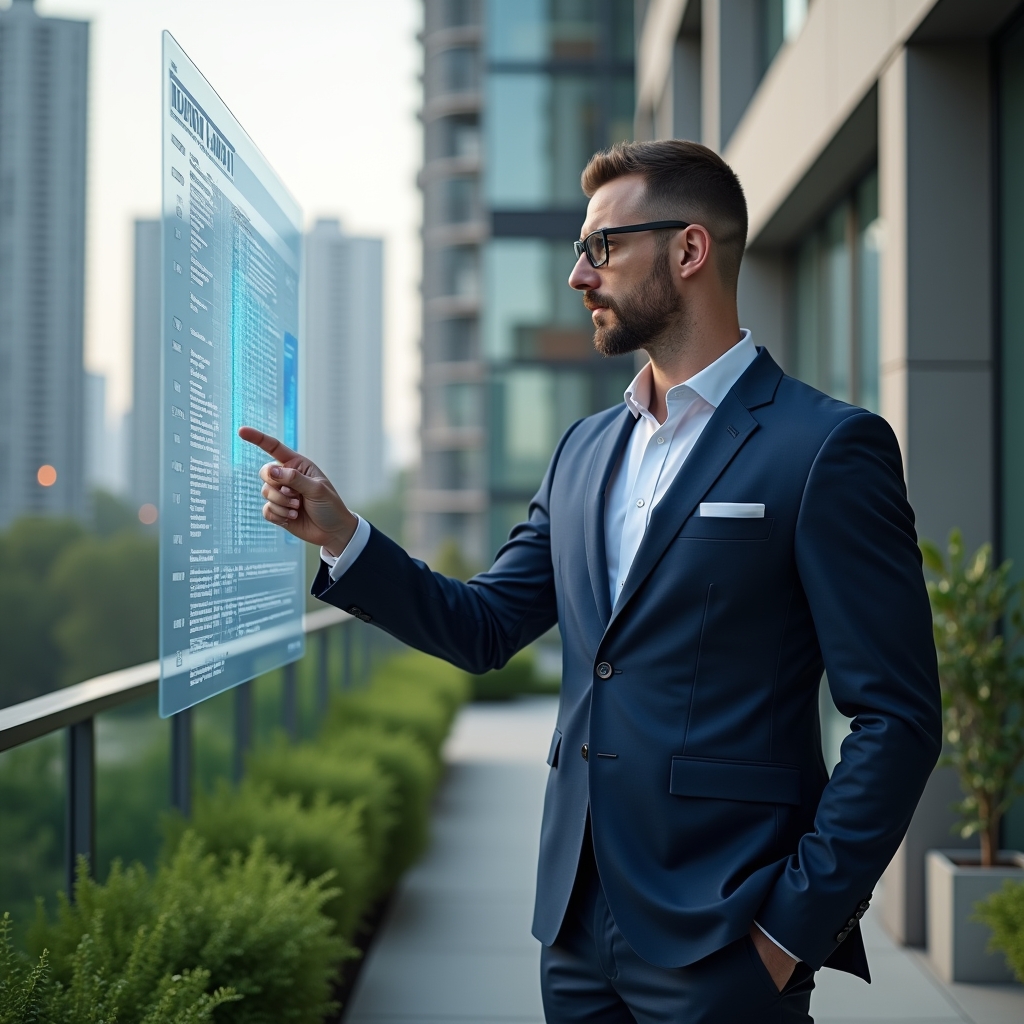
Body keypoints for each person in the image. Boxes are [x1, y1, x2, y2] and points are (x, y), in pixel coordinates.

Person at [240, 139, 942, 1023]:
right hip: (574, 933)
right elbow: (486, 625)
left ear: (689, 250)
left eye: (601, 246)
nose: (578, 274)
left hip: (729, 933)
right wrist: (345, 538)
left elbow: (897, 718)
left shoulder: (827, 448)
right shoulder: (584, 450)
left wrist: (789, 932)